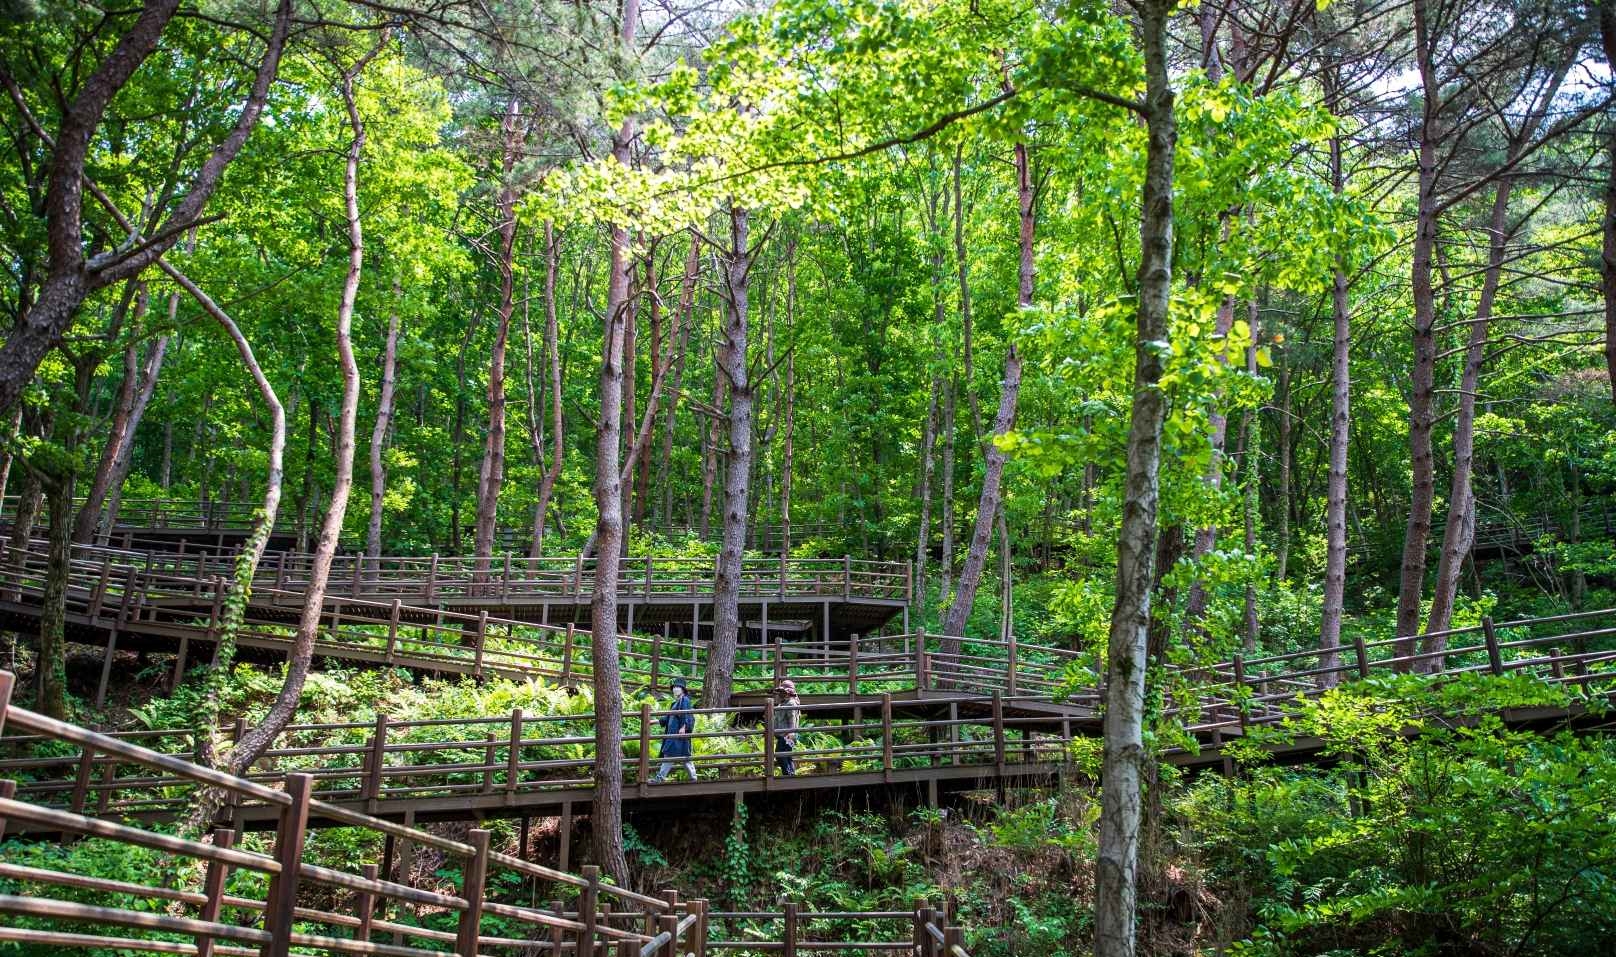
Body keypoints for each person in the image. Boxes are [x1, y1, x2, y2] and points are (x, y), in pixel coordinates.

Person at [651, 677, 696, 783]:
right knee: (681, 756)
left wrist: (683, 727)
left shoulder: (684, 700)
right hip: (674, 734)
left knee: (679, 756)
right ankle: (693, 777)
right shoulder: (675, 703)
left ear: (683, 689)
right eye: (674, 687)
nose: (675, 689)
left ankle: (693, 778)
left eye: (678, 687)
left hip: (679, 733)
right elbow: (667, 718)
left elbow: (685, 713)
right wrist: (655, 722)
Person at [772, 678, 800, 776]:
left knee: (780, 755)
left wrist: (791, 733)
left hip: (787, 735)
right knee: (787, 755)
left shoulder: (791, 703)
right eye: (780, 691)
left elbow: (792, 719)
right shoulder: (783, 703)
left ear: (788, 692)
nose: (780, 693)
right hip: (783, 735)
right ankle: (791, 774)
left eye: (782, 692)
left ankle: (788, 774)